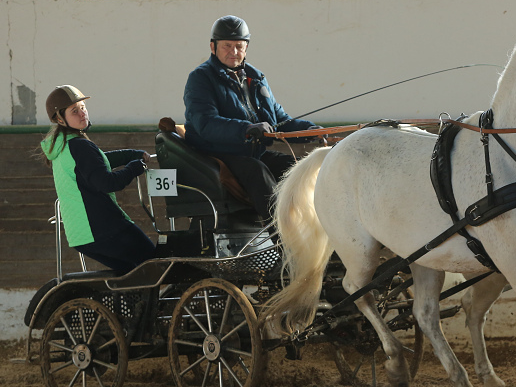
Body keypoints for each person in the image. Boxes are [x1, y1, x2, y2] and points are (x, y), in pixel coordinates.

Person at [183, 15, 319, 223]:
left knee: (298, 168)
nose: (234, 52)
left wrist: (312, 131)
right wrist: (246, 129)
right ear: (213, 47)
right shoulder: (200, 78)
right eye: (227, 46)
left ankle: (318, 229)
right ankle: (282, 240)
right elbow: (206, 124)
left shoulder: (256, 78)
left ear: (246, 47)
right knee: (257, 171)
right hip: (217, 155)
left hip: (252, 153)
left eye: (239, 46)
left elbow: (279, 121)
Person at [40, 85, 155, 274]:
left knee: (131, 275)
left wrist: (131, 154)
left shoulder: (63, 147)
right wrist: (135, 168)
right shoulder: (80, 146)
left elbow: (97, 163)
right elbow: (107, 182)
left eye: (83, 107)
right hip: (104, 230)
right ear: (60, 118)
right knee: (154, 265)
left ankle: (136, 304)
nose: (82, 113)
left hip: (82, 236)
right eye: (74, 111)